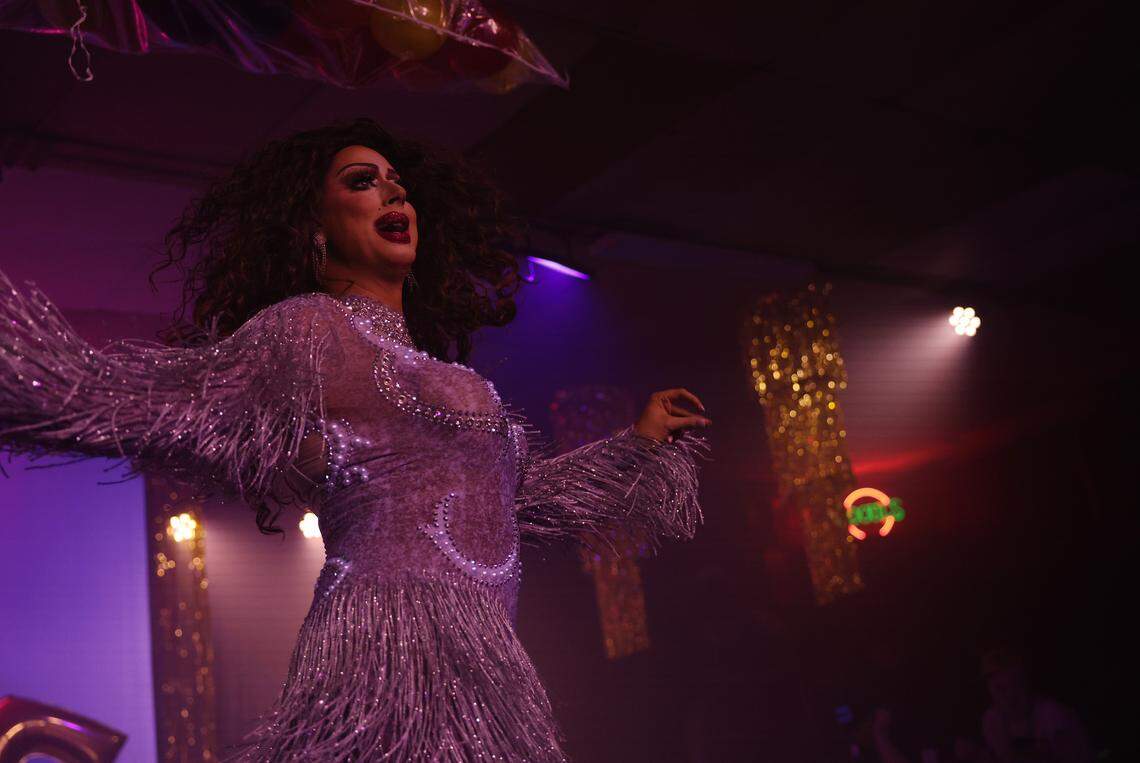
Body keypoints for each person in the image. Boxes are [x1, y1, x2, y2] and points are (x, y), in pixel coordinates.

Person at [0, 117, 713, 761]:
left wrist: (637, 444)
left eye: (397, 185)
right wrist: (19, 371)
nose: (391, 195)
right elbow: (152, 403)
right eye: (362, 182)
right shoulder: (307, 329)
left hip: (491, 669)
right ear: (316, 227)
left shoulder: (450, 372)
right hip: (382, 660)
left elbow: (515, 510)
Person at [979, 647, 1092, 763]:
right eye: (991, 679)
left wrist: (1008, 752)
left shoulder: (1054, 716)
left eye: (1002, 674)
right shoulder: (992, 720)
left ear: (1019, 677)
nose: (996, 685)